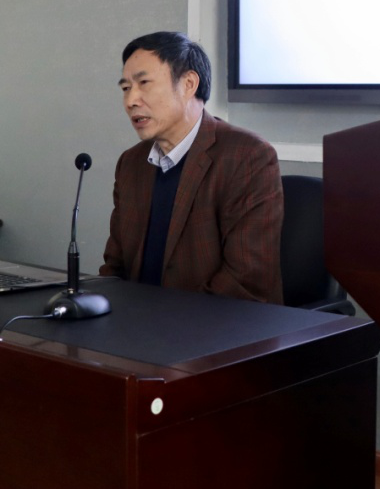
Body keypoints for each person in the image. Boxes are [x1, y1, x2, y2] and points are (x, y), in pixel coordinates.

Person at [100, 31, 283, 303]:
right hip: (138, 320)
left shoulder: (248, 156)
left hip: (217, 322)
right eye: (126, 88)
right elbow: (115, 267)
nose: (130, 101)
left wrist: (161, 320)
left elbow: (245, 280)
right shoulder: (131, 163)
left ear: (188, 84)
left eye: (144, 83)